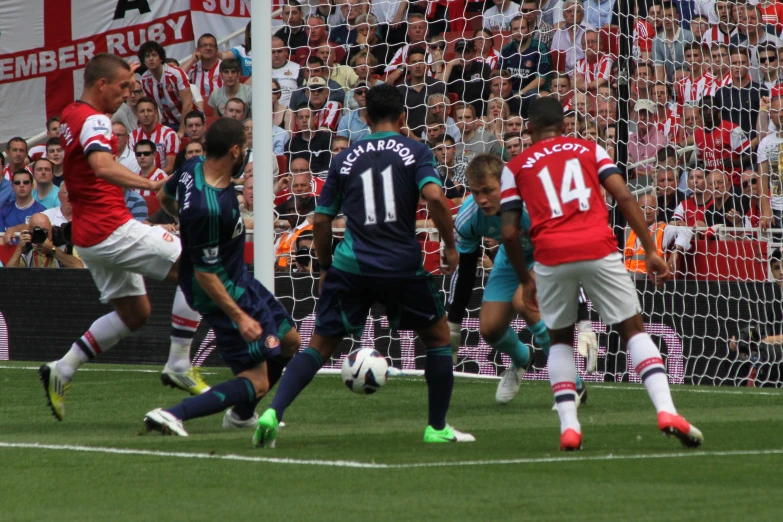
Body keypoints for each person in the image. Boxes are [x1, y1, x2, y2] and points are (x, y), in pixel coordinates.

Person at [253, 84, 475, 447]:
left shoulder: (345, 158)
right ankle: (436, 427)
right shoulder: (415, 149)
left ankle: (274, 412)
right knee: (436, 338)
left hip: (351, 265)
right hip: (401, 263)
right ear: (403, 118)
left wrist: (325, 266)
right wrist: (450, 245)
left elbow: (322, 220)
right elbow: (435, 196)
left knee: (320, 345)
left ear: (366, 118)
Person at [499, 97, 703, 451]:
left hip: (551, 255)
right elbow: (624, 196)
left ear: (528, 130)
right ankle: (667, 410)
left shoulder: (515, 166)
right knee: (632, 329)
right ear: (564, 126)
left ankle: (569, 427)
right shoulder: (591, 149)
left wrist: (525, 278)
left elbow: (508, 232)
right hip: (599, 246)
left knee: (560, 339)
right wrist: (651, 250)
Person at [39, 54, 208, 423]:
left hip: (89, 235)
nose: (129, 94)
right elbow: (101, 164)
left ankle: (63, 368)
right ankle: (179, 362)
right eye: (122, 87)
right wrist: (148, 183)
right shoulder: (96, 120)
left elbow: (91, 161)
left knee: (135, 313)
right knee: (198, 267)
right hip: (110, 227)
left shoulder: (70, 113)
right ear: (102, 85)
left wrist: (124, 71)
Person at [144, 118, 301, 437]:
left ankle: (242, 416)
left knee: (290, 341)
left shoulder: (193, 167)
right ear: (233, 151)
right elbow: (205, 273)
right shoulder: (212, 207)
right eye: (244, 147)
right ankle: (172, 414)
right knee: (257, 380)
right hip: (222, 290)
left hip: (236, 277)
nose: (245, 153)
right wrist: (240, 317)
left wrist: (184, 221)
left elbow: (164, 196)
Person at [449, 154, 593, 405]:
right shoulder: (467, 218)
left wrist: (583, 319)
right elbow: (467, 269)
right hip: (511, 255)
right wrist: (453, 324)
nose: (482, 199)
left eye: (488, 190)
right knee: (490, 328)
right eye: (475, 192)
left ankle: (572, 385)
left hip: (548, 252)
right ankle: (521, 358)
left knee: (524, 301)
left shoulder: (533, 205)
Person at [625, 194, 693, 277]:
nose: (648, 211)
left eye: (652, 208)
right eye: (643, 208)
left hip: (650, 281)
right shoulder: (627, 231)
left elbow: (687, 231)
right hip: (625, 279)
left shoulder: (663, 229)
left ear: (657, 211)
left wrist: (675, 251)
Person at [138, 41, 193, 137]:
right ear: (143, 61)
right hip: (168, 123)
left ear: (161, 58)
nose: (151, 59)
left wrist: (181, 131)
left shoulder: (176, 73)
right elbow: (152, 107)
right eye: (147, 56)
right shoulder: (145, 79)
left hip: (190, 120)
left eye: (154, 55)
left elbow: (188, 103)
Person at [7, 212, 83, 269]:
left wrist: (52, 249)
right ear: (29, 232)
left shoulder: (64, 248)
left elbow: (81, 269)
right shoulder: (28, 250)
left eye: (45, 231)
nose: (41, 235)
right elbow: (7, 276)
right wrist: (19, 248)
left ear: (52, 230)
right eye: (36, 232)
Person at [130, 97, 180, 175]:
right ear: (137, 114)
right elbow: (132, 165)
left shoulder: (169, 134)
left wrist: (151, 180)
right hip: (139, 181)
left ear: (156, 113)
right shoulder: (132, 136)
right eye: (142, 111)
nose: (146, 114)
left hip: (162, 181)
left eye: (149, 110)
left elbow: (170, 168)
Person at [181, 33, 223, 99]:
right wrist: (192, 60)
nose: (208, 48)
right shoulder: (193, 69)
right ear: (197, 50)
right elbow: (176, 77)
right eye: (204, 45)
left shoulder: (225, 67)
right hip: (199, 107)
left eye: (211, 45)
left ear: (216, 50)